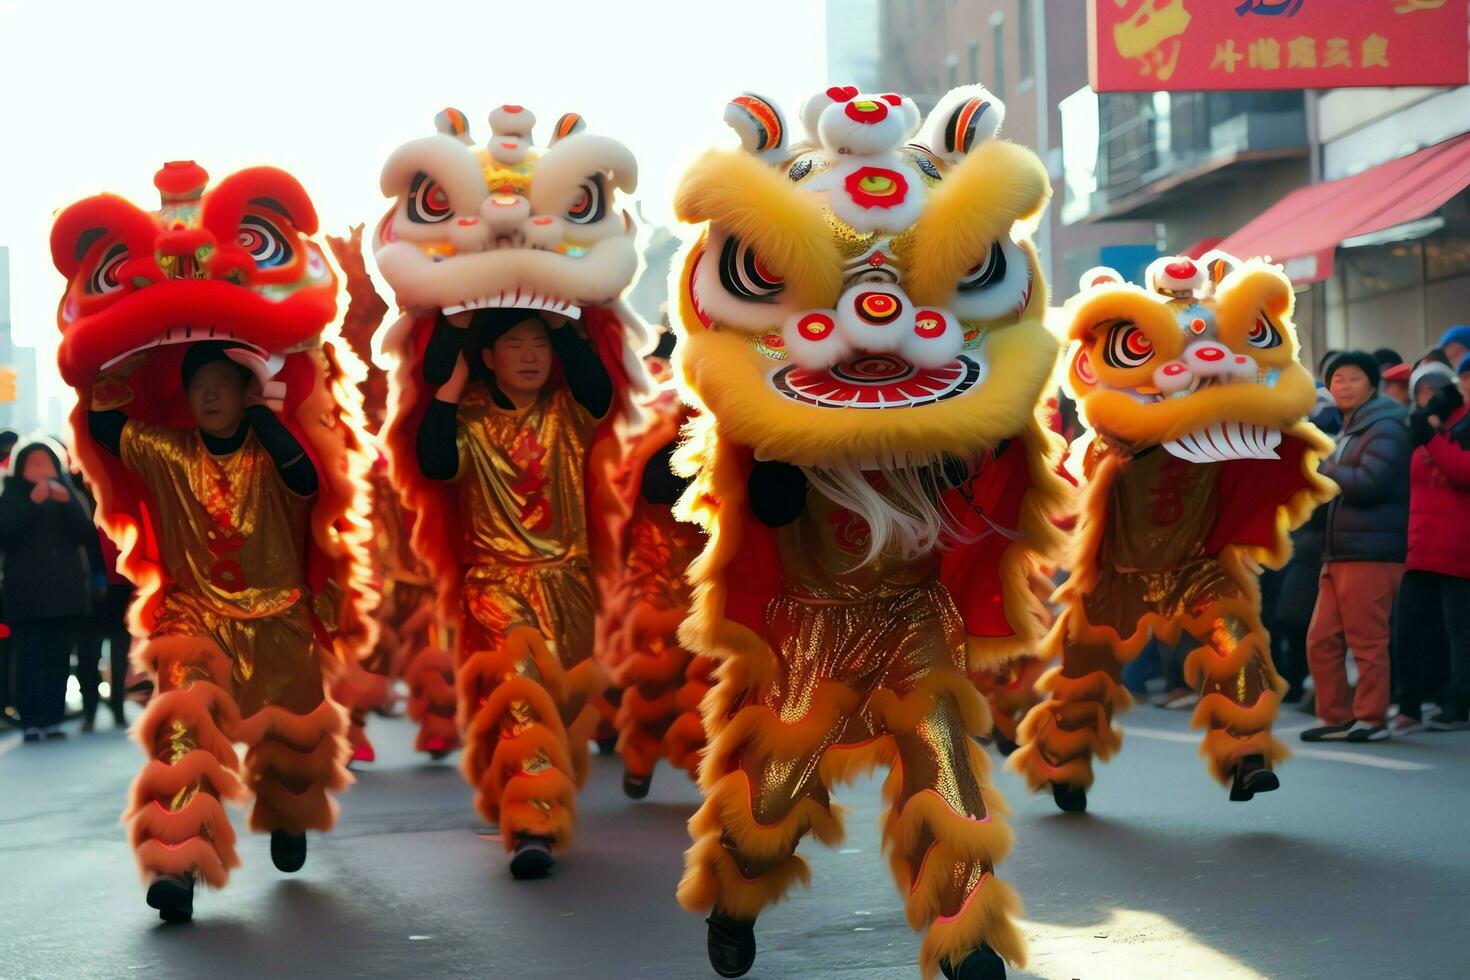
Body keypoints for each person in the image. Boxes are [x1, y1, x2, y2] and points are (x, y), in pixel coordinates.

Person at [89, 343, 350, 921]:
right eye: (199, 385)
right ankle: (178, 860)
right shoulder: (168, 451)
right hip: (195, 616)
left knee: (290, 752)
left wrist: (263, 413)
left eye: (222, 384)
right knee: (181, 729)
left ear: (243, 391)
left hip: (279, 619)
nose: (209, 395)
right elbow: (105, 424)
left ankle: (287, 814)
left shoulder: (277, 452)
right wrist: (127, 355)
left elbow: (307, 481)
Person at [416, 310, 613, 880]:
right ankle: (531, 826)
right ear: (487, 357)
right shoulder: (469, 417)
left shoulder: (568, 410)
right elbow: (435, 462)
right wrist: (448, 389)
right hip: (495, 584)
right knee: (521, 690)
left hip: (568, 582)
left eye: (539, 344)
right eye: (514, 344)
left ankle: (537, 794)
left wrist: (566, 322)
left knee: (560, 703)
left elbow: (597, 388)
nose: (530, 355)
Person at [1303, 351, 1411, 742]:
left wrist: (1324, 468)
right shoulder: (1351, 428)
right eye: (1336, 380)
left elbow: (1371, 483)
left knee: (1367, 640)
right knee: (1321, 638)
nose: (1343, 386)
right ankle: (1336, 716)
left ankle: (1371, 717)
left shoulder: (1386, 426)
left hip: (1372, 550)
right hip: (1340, 550)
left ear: (1372, 384)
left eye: (1352, 379)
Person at [0, 438, 95, 741]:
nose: (42, 470)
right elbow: (6, 535)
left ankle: (52, 719)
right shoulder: (11, 496)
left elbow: (86, 535)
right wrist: (33, 503)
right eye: (34, 464)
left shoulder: (68, 495)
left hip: (64, 594)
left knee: (59, 658)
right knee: (28, 658)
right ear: (20, 468)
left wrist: (67, 503)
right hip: (26, 597)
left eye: (47, 463)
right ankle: (29, 720)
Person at [1393, 362, 1470, 732]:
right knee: (1408, 627)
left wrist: (1431, 438)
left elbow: (1463, 471)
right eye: (1420, 390)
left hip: (1459, 543)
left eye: (1434, 389)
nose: (1426, 396)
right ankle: (1409, 703)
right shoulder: (1423, 424)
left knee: (1459, 630)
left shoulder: (1455, 426)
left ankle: (1457, 706)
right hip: (1420, 545)